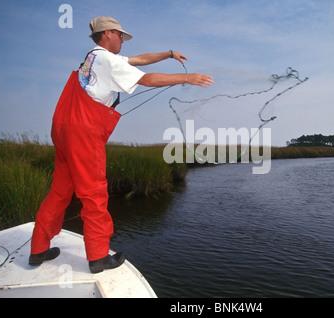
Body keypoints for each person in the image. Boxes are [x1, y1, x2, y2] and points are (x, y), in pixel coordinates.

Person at [29, 16, 213, 273]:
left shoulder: (93, 58)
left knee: (60, 190)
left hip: (63, 127)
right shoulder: (107, 60)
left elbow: (139, 60)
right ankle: (98, 257)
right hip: (83, 131)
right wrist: (186, 78)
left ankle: (38, 249)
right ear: (108, 33)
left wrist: (169, 54)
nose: (123, 41)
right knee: (94, 193)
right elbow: (146, 79)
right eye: (120, 36)